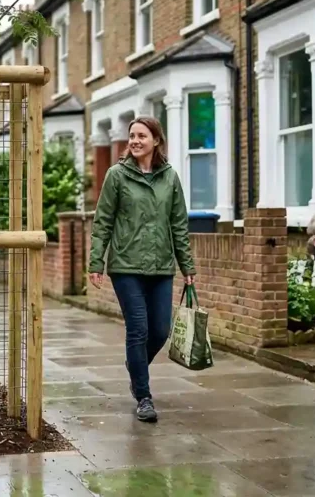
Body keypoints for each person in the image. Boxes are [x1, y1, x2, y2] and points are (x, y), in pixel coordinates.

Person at [88, 116, 196, 423]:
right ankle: (144, 396)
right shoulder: (116, 175)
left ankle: (135, 366)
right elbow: (103, 221)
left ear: (156, 141)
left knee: (160, 330)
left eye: (142, 136)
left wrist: (187, 265)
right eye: (132, 135)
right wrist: (96, 262)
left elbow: (179, 225)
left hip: (161, 266)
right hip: (126, 265)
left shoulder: (170, 177)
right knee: (138, 329)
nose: (135, 140)